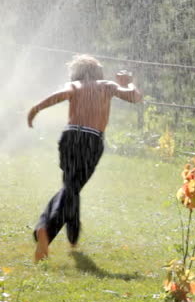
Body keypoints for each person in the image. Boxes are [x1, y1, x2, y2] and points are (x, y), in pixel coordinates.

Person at [27, 54, 143, 261]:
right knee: (72, 187)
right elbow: (134, 97)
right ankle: (45, 228)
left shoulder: (76, 85)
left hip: (69, 137)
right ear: (98, 72)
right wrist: (128, 83)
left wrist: (36, 109)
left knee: (71, 186)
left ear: (76, 73)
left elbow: (58, 95)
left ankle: (72, 231)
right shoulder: (107, 86)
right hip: (91, 140)